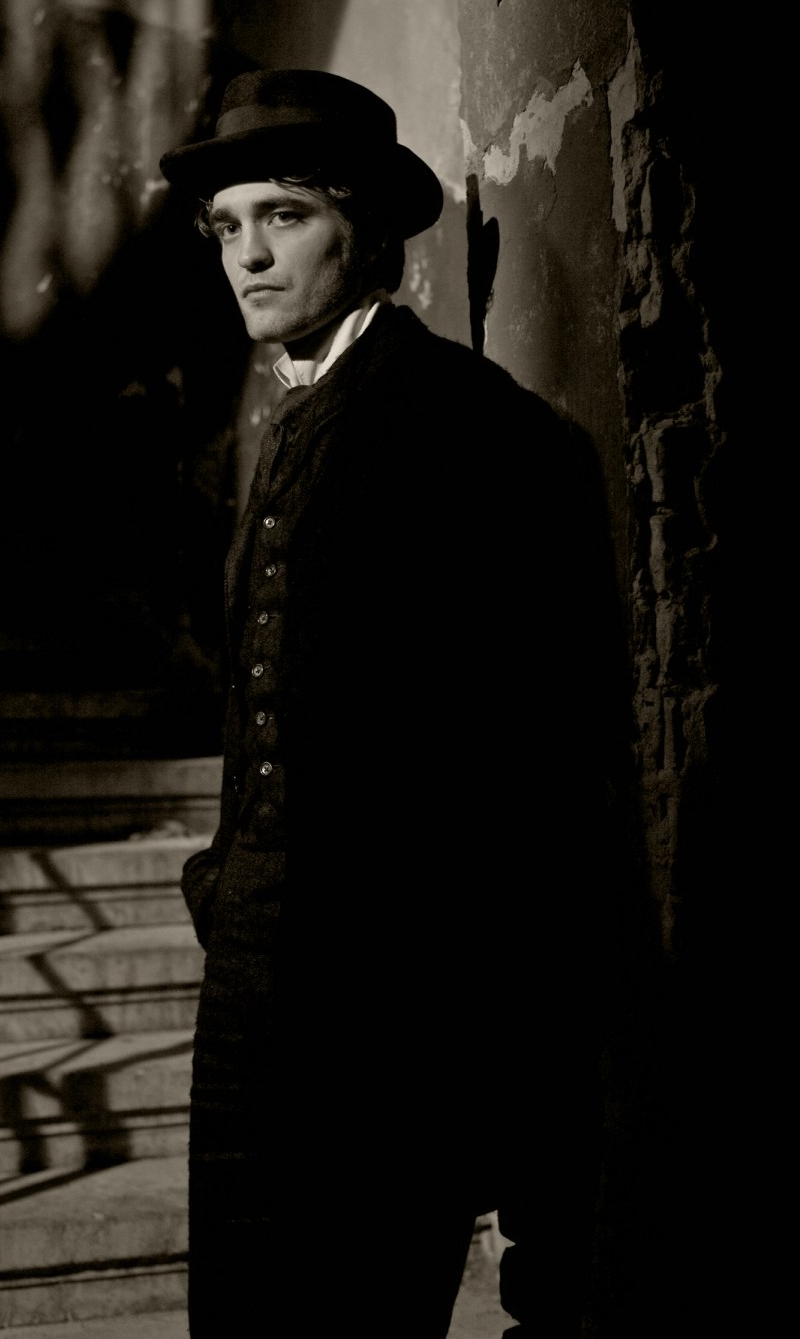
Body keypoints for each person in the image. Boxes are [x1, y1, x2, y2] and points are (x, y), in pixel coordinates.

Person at [159, 69, 624, 1339]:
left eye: (285, 216)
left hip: (381, 1000)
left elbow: (531, 768)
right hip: (252, 976)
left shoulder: (468, 429)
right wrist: (225, 885)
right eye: (227, 225)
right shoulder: (289, 420)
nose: (249, 256)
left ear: (363, 234)